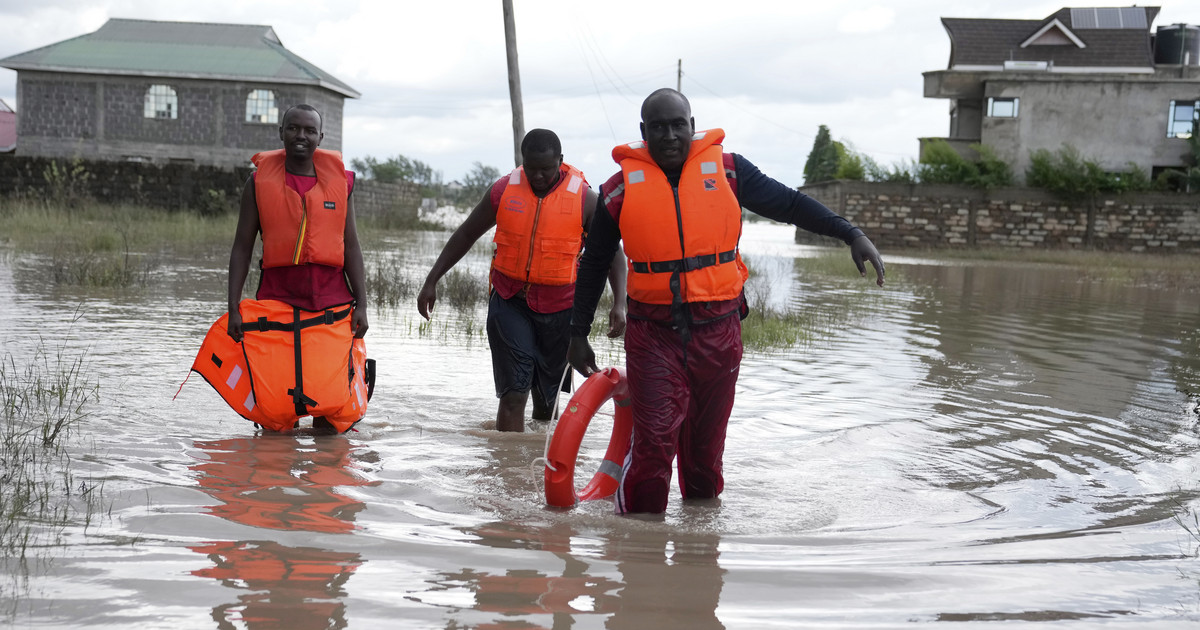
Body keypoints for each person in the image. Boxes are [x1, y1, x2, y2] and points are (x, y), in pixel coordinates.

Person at [568, 89, 885, 514]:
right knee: (654, 445)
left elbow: (790, 204)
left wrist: (850, 233)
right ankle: (639, 556)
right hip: (653, 335)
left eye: (677, 125)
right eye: (658, 127)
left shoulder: (731, 172)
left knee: (704, 456)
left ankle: (699, 559)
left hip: (718, 331)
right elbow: (594, 265)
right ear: (643, 133)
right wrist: (576, 333)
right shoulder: (618, 190)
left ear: (692, 126)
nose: (669, 135)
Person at [418, 129, 627, 432]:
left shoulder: (585, 199)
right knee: (514, 395)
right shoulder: (503, 191)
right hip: (509, 301)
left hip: (561, 310)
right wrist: (432, 279)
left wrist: (619, 302)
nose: (539, 176)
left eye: (546, 168)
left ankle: (534, 467)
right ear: (522, 162)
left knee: (546, 404)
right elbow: (466, 233)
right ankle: (507, 474)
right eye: (532, 169)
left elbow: (612, 255)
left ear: (561, 161)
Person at [224, 103, 369, 434]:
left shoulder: (341, 184)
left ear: (320, 136)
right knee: (275, 414)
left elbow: (351, 246)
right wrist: (233, 307)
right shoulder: (258, 183)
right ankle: (275, 480)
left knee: (329, 409)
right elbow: (242, 247)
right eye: (293, 128)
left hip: (331, 303)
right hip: (276, 300)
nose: (300, 136)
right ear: (281, 133)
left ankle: (321, 483)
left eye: (308, 130)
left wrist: (362, 303)